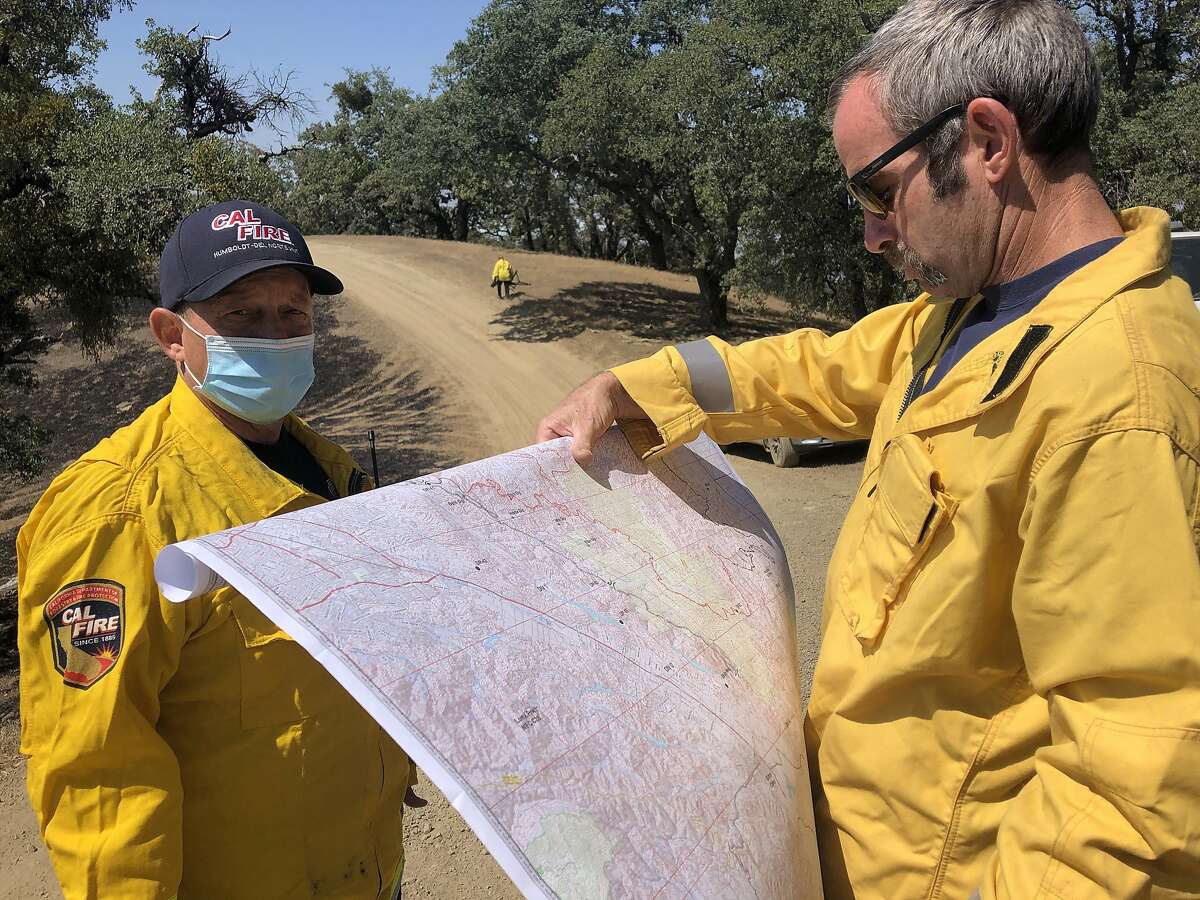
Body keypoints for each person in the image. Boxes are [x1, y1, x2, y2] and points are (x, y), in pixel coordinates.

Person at [536, 2, 1200, 897]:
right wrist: (636, 385)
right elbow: (822, 368)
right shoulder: (978, 310)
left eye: (879, 192)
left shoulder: (1119, 398)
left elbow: (1136, 799)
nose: (874, 233)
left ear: (988, 141)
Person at [18, 200, 416, 899]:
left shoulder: (330, 471)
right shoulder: (117, 514)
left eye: (293, 314)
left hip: (366, 869)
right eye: (243, 317)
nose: (277, 334)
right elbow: (96, 770)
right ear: (173, 334)